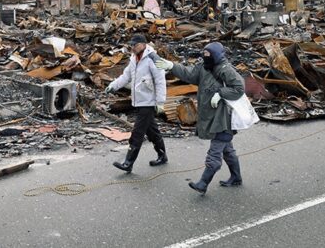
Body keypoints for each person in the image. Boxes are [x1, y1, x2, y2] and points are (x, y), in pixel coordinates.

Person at [154, 42, 244, 195]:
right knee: (227, 150)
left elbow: (239, 88)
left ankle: (203, 183)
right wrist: (171, 66)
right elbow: (189, 74)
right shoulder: (204, 67)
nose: (205, 57)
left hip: (222, 119)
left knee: (214, 154)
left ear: (216, 55)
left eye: (208, 55)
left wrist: (221, 93)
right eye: (204, 54)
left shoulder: (225, 69)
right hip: (211, 116)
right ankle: (236, 177)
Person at [104, 33, 167, 173]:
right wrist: (113, 86)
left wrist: (160, 102)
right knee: (152, 132)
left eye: (135, 45)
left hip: (148, 101)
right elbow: (126, 76)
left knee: (137, 133)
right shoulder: (134, 58)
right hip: (139, 100)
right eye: (131, 45)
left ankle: (128, 162)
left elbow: (160, 80)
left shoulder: (152, 58)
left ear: (144, 44)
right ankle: (162, 156)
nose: (133, 47)